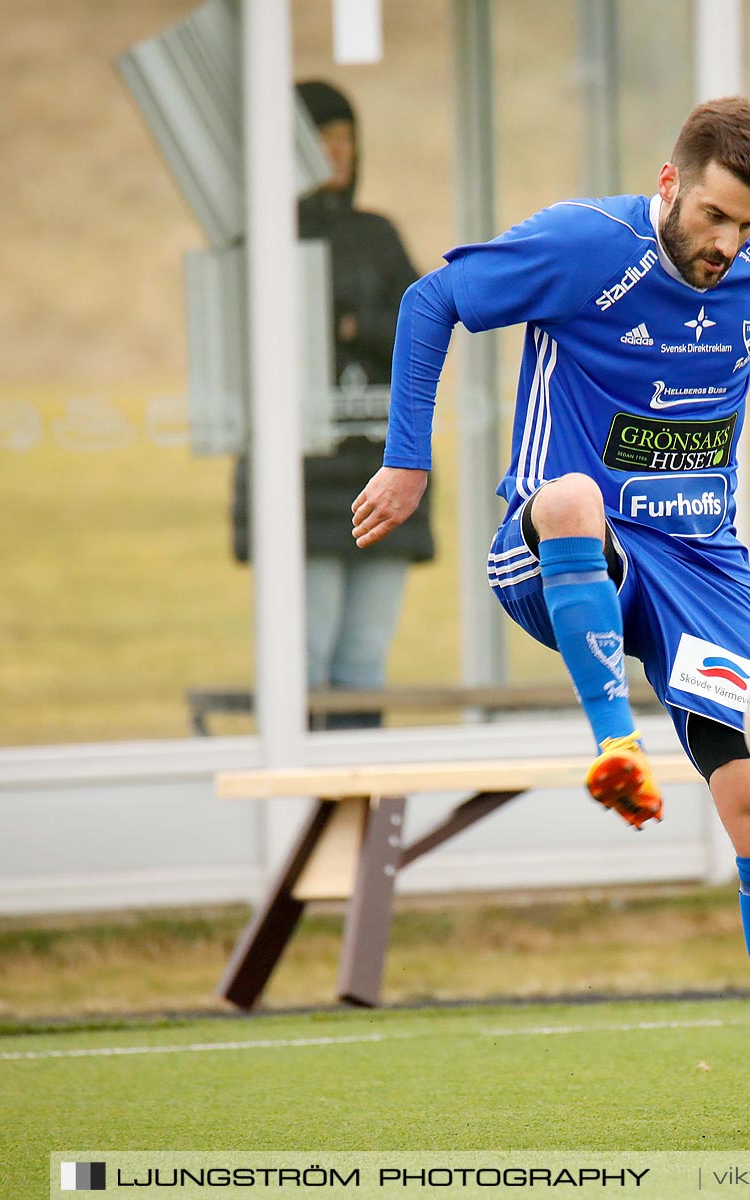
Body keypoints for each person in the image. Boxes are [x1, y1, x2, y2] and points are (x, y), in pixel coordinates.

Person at [352, 98, 750, 1136]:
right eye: (716, 217)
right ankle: (613, 745)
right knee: (574, 498)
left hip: (701, 566)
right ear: (672, 183)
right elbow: (431, 300)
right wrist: (407, 456)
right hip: (554, 550)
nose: (729, 242)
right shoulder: (588, 245)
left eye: (747, 222)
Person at [231, 81, 430, 727]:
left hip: (381, 465)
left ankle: (359, 801)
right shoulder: (260, 238)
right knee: (305, 654)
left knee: (365, 654)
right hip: (303, 474)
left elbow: (420, 331)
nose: (337, 152)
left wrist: (355, 325)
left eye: (346, 138)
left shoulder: (377, 234)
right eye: (321, 138)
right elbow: (253, 343)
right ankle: (304, 802)